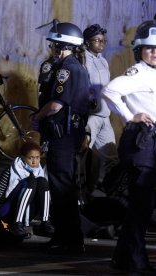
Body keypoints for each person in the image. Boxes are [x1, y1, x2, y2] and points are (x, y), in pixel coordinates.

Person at [30, 21, 92, 254]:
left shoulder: (68, 68)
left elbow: (56, 104)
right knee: (61, 186)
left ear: (61, 44)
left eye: (54, 43)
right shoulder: (71, 66)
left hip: (62, 136)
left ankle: (70, 238)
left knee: (62, 187)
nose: (51, 47)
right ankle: (65, 236)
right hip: (64, 135)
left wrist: (38, 115)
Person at [102, 19, 156, 274]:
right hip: (142, 144)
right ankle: (133, 260)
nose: (155, 52)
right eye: (150, 48)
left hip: (149, 146)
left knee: (143, 207)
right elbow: (110, 91)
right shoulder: (139, 73)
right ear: (140, 50)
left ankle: (124, 258)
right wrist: (129, 115)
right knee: (141, 207)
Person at [0, 141, 54, 239]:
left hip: (28, 212)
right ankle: (16, 224)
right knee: (31, 181)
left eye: (37, 158)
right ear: (23, 157)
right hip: (9, 212)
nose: (34, 162)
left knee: (42, 181)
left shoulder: (40, 172)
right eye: (30, 158)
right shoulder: (11, 170)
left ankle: (45, 223)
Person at [82, 24, 118, 189]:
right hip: (90, 116)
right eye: (97, 40)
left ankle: (111, 189)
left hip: (104, 115)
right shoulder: (82, 59)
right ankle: (81, 192)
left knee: (112, 156)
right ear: (87, 42)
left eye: (103, 41)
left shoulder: (103, 60)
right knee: (83, 155)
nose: (101, 44)